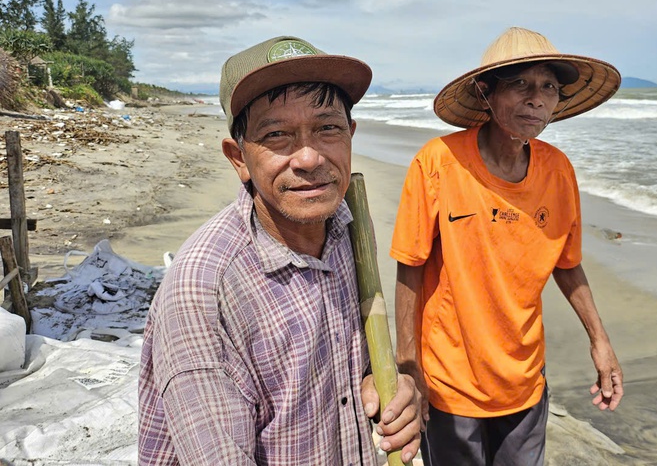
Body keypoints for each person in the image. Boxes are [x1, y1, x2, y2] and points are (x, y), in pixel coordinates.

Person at [138, 36, 422, 465]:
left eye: (327, 127)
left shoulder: (345, 228)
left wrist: (383, 387)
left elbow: (337, 367)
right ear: (238, 158)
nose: (309, 158)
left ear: (350, 135)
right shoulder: (203, 290)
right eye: (277, 135)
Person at [391, 27, 624, 465]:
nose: (537, 99)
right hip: (450, 381)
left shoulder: (557, 170)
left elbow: (566, 263)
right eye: (521, 84)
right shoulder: (438, 162)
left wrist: (601, 341)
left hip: (524, 380)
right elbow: (410, 264)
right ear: (486, 92)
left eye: (549, 87)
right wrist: (409, 366)